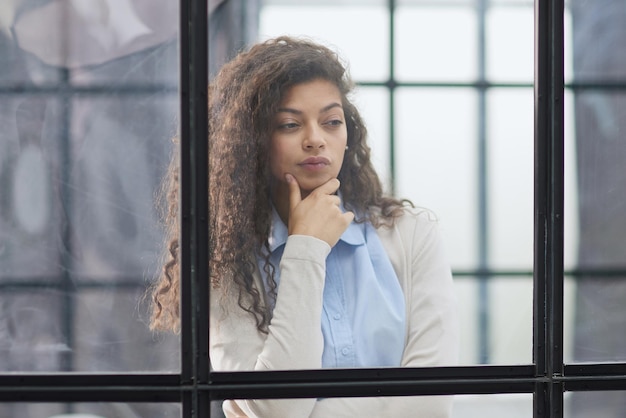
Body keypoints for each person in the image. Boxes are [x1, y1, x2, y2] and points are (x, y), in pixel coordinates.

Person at [150, 36, 459, 417]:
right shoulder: (225, 257)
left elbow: (429, 404)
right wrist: (306, 249)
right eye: (290, 124)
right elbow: (278, 409)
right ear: (254, 141)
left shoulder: (411, 234)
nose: (316, 140)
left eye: (331, 122)